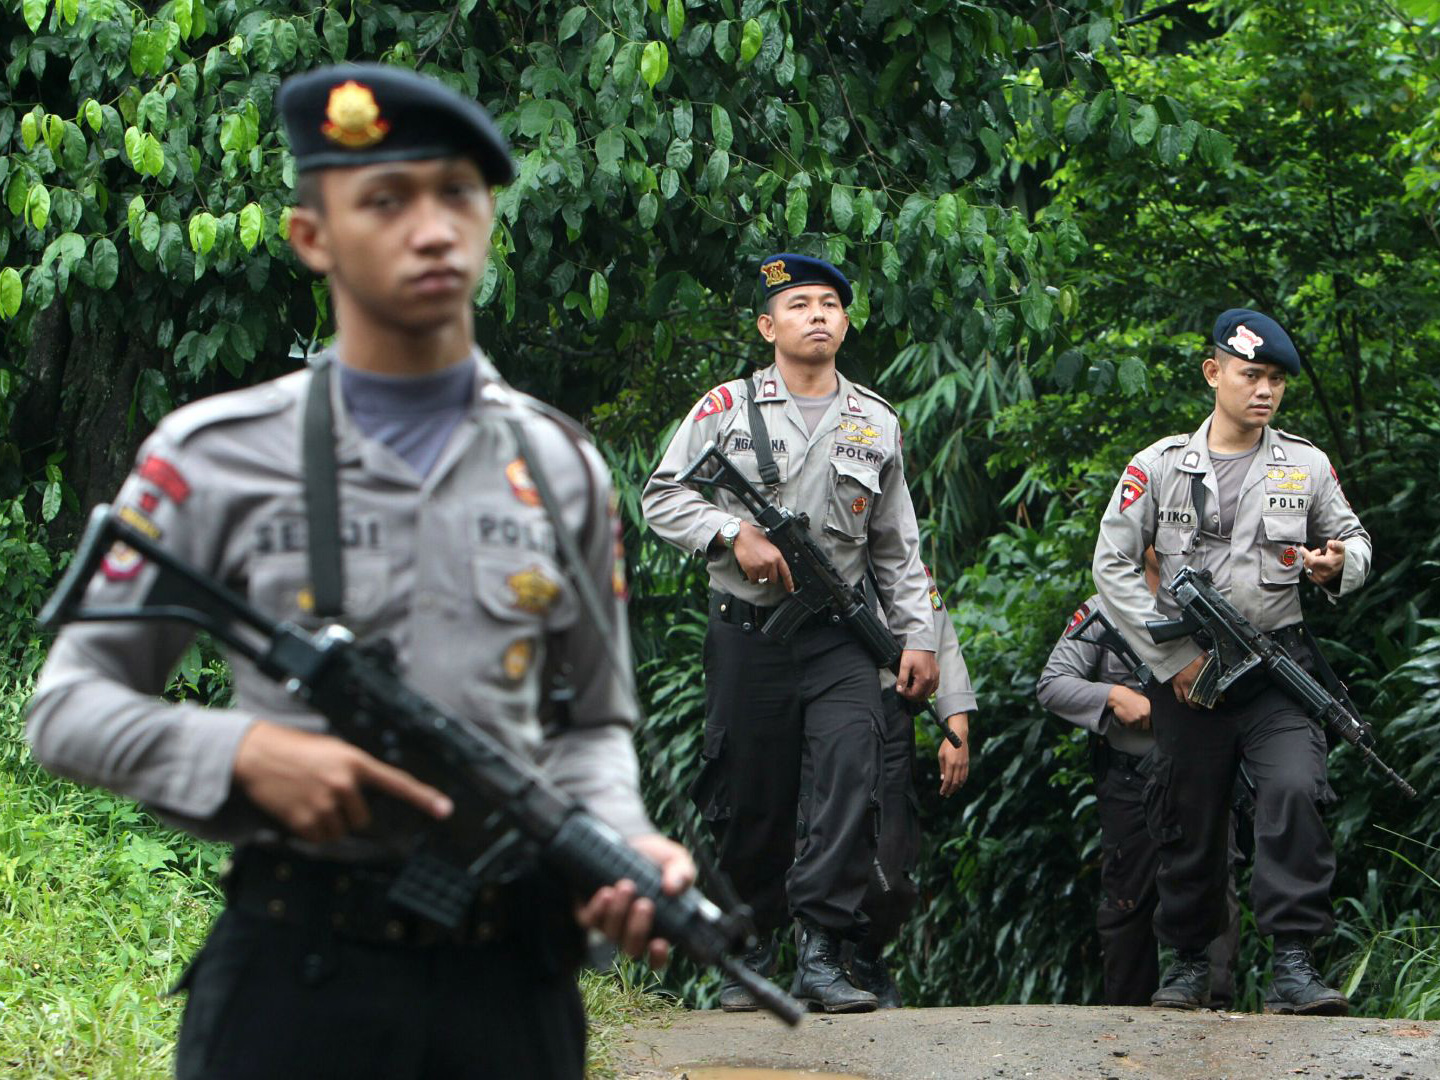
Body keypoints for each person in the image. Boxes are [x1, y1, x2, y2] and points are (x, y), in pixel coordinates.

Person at [25, 64, 692, 1079]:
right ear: (313, 237)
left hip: (508, 993)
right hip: (297, 980)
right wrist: (245, 753)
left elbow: (592, 723)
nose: (432, 229)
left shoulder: (561, 468)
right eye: (385, 201)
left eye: (458, 194)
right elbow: (66, 709)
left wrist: (623, 841)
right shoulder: (212, 453)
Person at [642, 253, 938, 1013]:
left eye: (831, 304)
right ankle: (756, 946)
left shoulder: (876, 421)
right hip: (749, 634)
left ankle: (821, 949)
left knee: (849, 779)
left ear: (845, 322)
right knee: (752, 795)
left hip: (842, 639)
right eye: (800, 303)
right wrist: (729, 533)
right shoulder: (725, 408)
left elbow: (898, 549)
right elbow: (661, 497)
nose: (818, 314)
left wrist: (919, 639)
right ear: (769, 326)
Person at [1092, 309, 1371, 1014]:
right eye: (1251, 374)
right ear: (1214, 373)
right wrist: (1172, 657)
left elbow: (1354, 538)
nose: (1265, 390)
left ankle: (1294, 965)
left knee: (1296, 790)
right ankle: (1188, 963)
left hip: (1277, 667)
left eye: (1276, 379)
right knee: (1189, 814)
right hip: (1190, 677)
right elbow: (1113, 565)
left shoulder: (1304, 465)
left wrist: (1337, 564)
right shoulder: (1155, 467)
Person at [1036, 550, 1239, 1008]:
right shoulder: (1104, 607)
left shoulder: (1216, 603)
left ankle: (1217, 1016)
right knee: (1128, 906)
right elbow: (1052, 683)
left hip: (1199, 773)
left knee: (1214, 889)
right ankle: (1126, 1030)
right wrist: (1113, 696)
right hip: (1131, 780)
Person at [842, 569, 973, 1009]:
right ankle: (819, 958)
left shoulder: (902, 563)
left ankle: (864, 955)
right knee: (820, 845)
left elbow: (942, 639)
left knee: (893, 868)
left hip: (888, 709)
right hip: (823, 709)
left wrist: (956, 722)